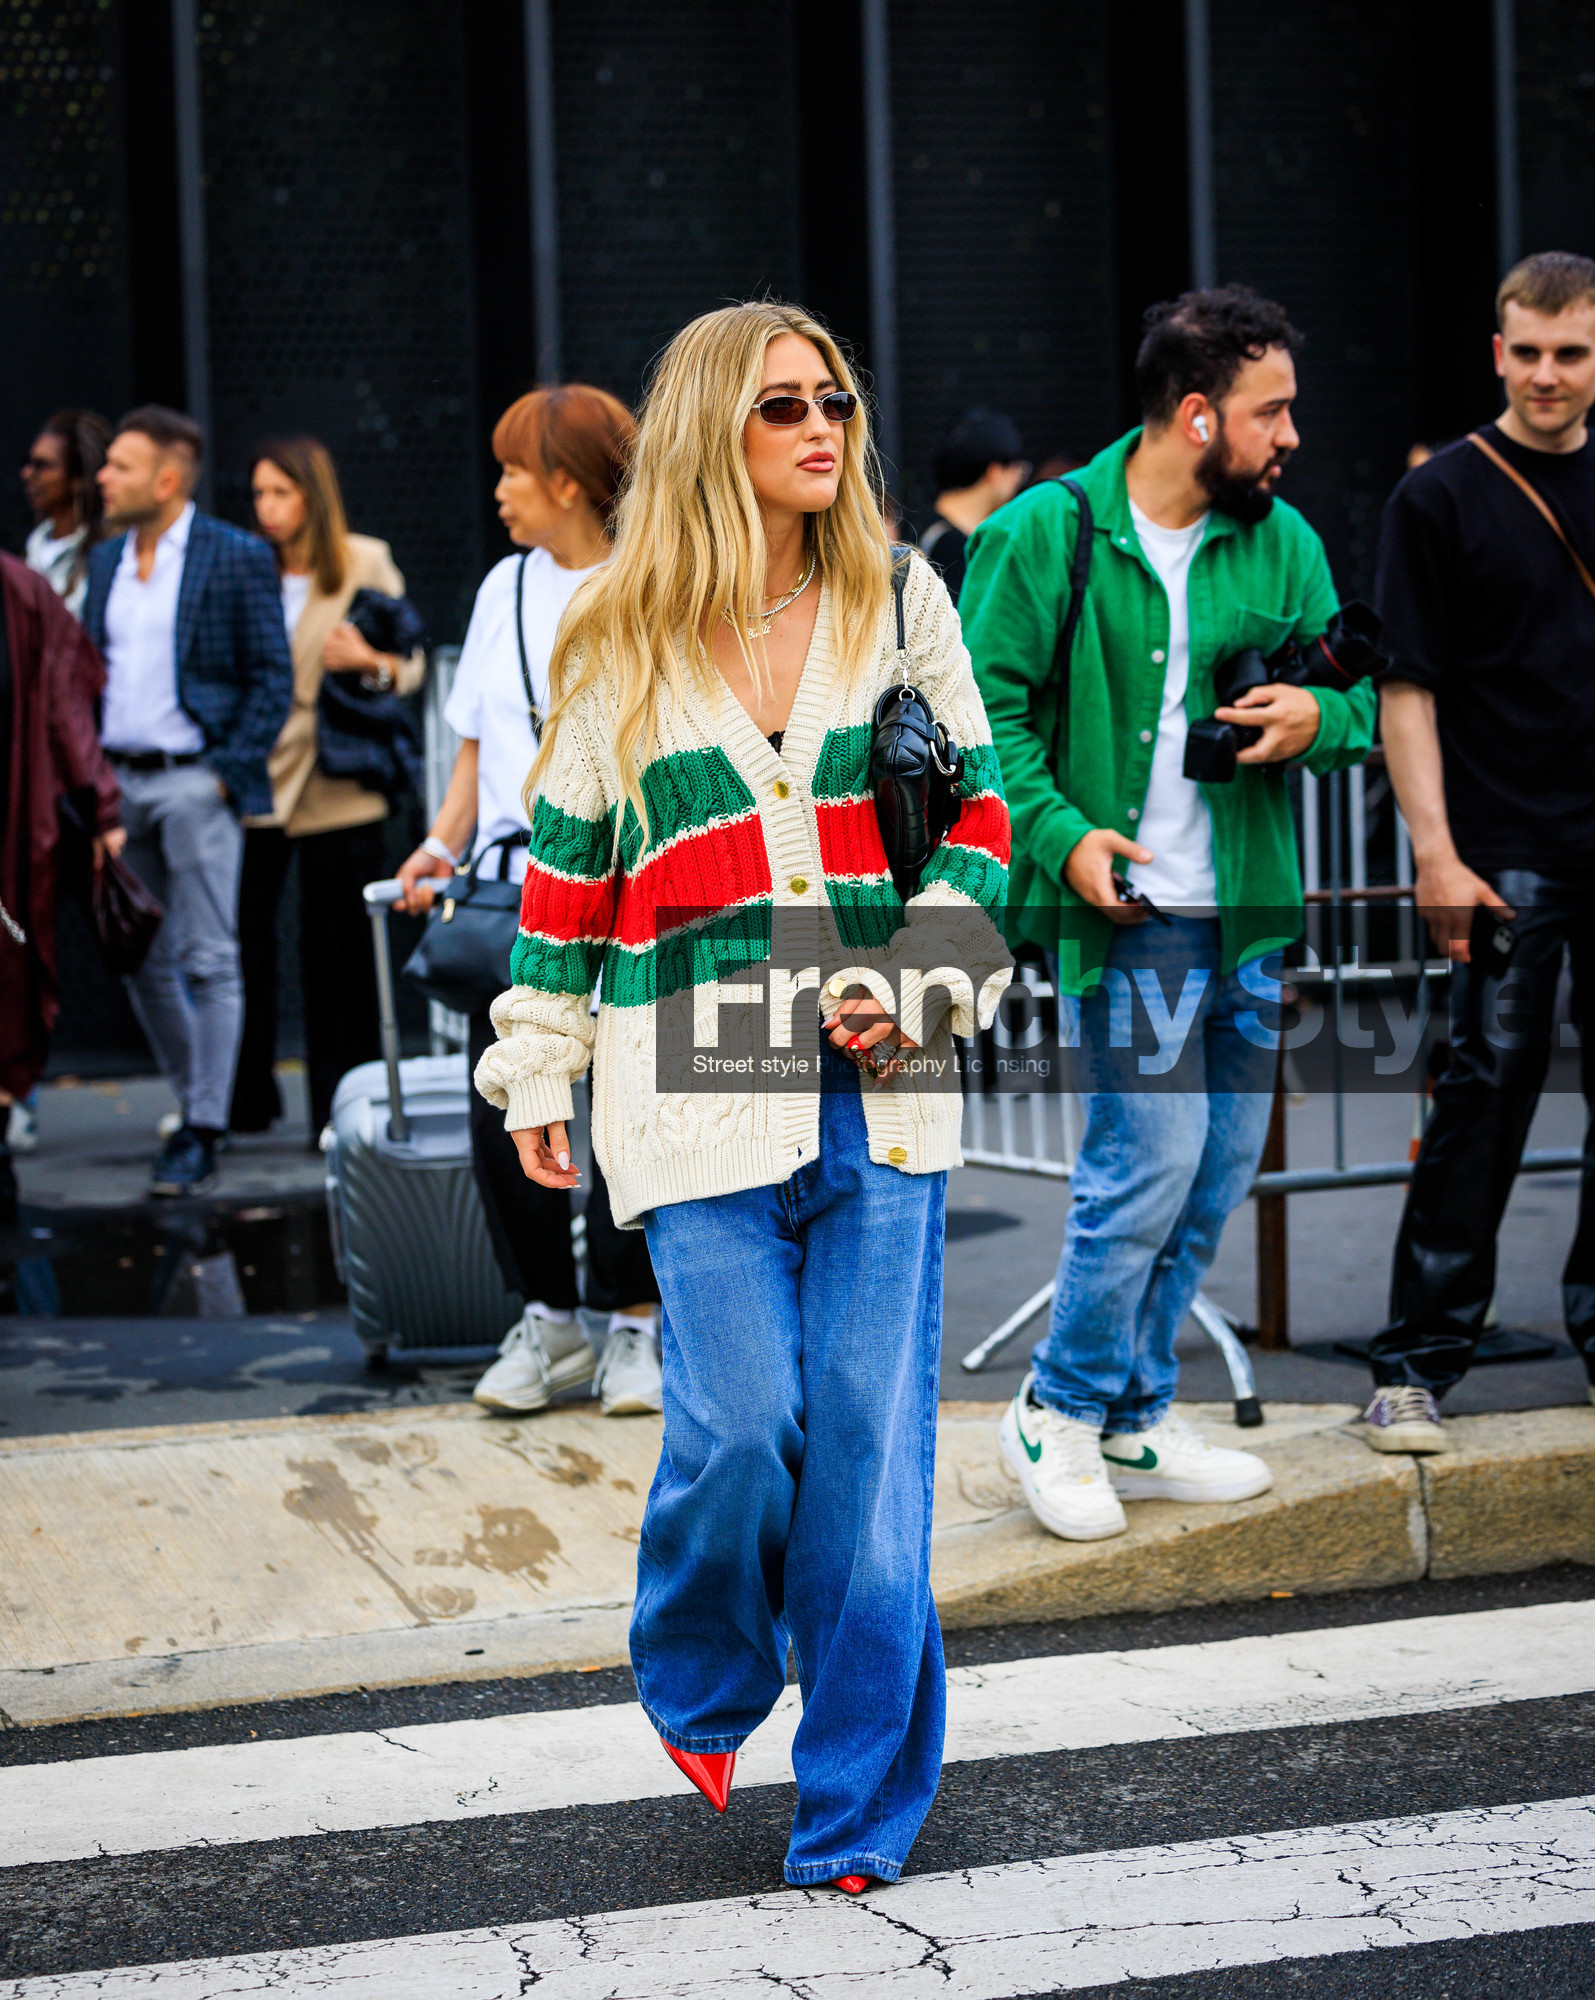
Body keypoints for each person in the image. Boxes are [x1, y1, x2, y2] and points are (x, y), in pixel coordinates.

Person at [474, 302, 1010, 1890]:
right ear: (717, 426)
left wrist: (915, 970)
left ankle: (853, 1808)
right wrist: (538, 1065)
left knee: (866, 1444)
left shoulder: (900, 593)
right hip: (693, 1067)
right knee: (740, 1422)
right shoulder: (617, 634)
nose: (822, 426)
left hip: (881, 1066)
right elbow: (566, 880)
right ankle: (703, 1662)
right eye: (783, 405)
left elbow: (978, 813)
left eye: (836, 398)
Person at [964, 285, 1376, 1541]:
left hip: (1243, 916)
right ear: (1197, 416)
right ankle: (1058, 1406)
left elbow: (1353, 698)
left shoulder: (1283, 542)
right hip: (1127, 920)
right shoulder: (1049, 532)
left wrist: (1321, 720)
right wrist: (1062, 836)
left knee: (1210, 1180)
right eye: (1272, 411)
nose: (1291, 434)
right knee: (1142, 1168)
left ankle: (1137, 1408)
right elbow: (985, 724)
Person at [1367, 251, 1595, 1447]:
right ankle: (1415, 1362)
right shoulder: (1442, 495)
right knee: (1483, 1096)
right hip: (1501, 845)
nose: (1548, 374)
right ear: (1497, 348)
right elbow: (1405, 687)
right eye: (1529, 350)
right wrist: (1434, 852)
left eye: (1571, 352)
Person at [396, 385, 661, 1417]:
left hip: (638, 883)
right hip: (518, 891)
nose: (498, 489)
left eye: (514, 469)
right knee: (507, 1101)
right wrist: (436, 843)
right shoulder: (502, 587)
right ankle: (548, 1318)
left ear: (565, 479)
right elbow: (474, 754)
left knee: (635, 1104)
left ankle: (634, 1320)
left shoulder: (656, 579)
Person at [84, 407, 293, 1197]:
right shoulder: (105, 561)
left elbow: (272, 678)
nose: (104, 477)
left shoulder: (234, 556)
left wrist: (220, 775)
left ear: (166, 480)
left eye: (121, 466)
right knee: (137, 954)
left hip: (194, 779)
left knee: (208, 956)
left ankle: (204, 1128)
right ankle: (195, 1102)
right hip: (117, 783)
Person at [232, 437, 425, 1140]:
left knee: (339, 954)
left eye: (282, 492)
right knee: (240, 944)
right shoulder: (245, 565)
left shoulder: (361, 559)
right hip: (256, 778)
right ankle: (242, 1104)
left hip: (340, 780)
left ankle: (342, 1112)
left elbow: (408, 669)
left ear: (313, 497)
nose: (269, 508)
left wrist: (368, 660)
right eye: (259, 494)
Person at [0, 553, 123, 1220]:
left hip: (10, 837)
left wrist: (100, 806)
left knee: (9, 986)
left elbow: (64, 704)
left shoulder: (20, 593)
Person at [919, 408, 1030, 601]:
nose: (1018, 481)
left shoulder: (925, 530)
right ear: (994, 472)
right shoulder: (949, 547)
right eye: (1018, 470)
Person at [21, 409, 111, 618]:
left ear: (78, 478)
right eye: (29, 463)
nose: (27, 474)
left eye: (42, 465)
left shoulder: (109, 554)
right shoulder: (34, 546)